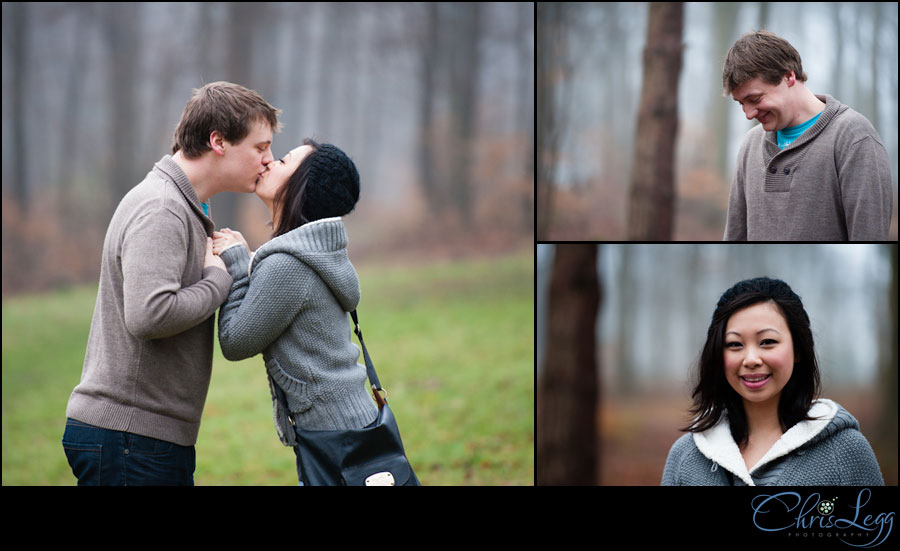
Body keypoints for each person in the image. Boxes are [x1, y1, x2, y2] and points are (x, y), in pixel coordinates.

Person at [62, 82, 282, 485]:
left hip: (142, 439)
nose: (269, 161)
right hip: (131, 437)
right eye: (260, 147)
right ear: (218, 141)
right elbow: (149, 315)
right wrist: (220, 278)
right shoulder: (163, 207)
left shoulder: (184, 204)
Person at [212, 138, 379, 484]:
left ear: (302, 187)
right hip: (349, 421)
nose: (270, 162)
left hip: (333, 434)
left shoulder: (289, 266)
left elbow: (235, 341)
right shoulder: (315, 253)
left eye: (284, 162)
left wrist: (237, 262)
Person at [661, 277, 884, 486]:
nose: (751, 360)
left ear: (798, 349)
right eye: (735, 344)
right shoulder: (685, 456)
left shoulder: (846, 452)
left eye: (767, 341)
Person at [721, 30, 892, 241]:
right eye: (741, 104)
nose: (748, 114)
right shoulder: (750, 144)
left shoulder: (854, 137)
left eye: (755, 99)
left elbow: (869, 235)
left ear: (789, 76)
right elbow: (734, 237)